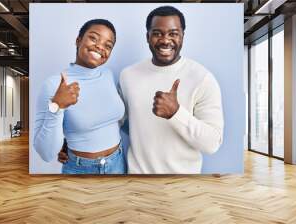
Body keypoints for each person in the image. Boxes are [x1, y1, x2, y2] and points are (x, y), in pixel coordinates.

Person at [118, 6, 224, 174]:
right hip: (138, 181)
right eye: (157, 33)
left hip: (184, 183)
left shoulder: (202, 78)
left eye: (173, 33)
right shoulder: (128, 76)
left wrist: (176, 113)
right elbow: (117, 121)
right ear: (147, 37)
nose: (165, 40)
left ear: (182, 36)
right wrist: (71, 144)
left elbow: (212, 144)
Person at [34, 19, 126, 174]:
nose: (99, 46)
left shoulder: (108, 75)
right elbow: (46, 153)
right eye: (93, 38)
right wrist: (57, 106)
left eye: (108, 45)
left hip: (117, 162)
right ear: (78, 40)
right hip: (81, 168)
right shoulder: (54, 84)